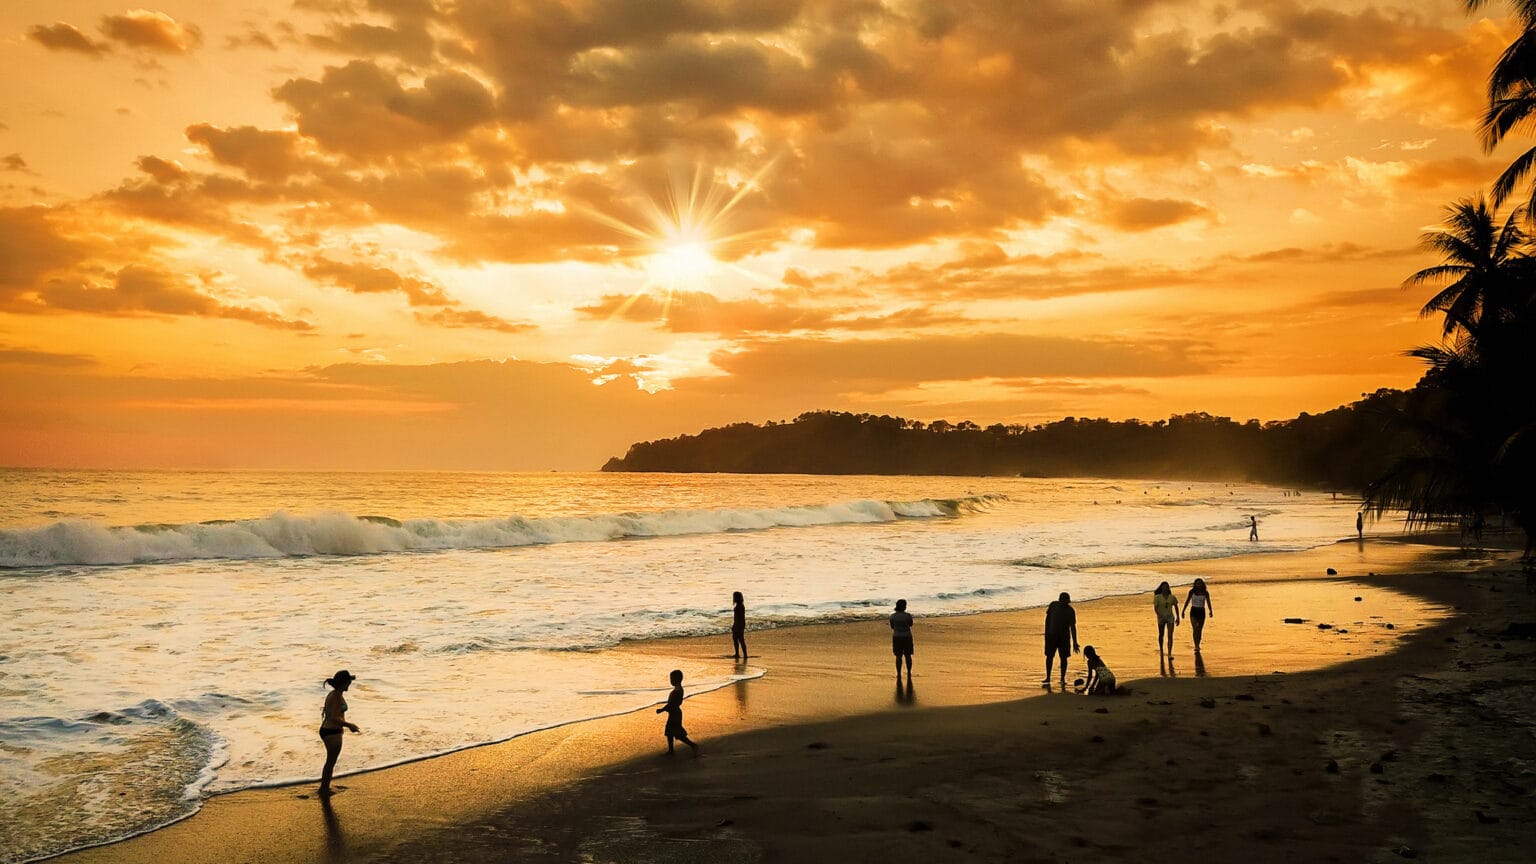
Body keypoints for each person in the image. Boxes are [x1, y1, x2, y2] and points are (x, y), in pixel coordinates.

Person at [318, 669, 361, 796]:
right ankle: (324, 789)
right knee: (330, 762)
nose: (350, 684)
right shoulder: (336, 696)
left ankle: (324, 787)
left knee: (330, 762)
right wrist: (349, 725)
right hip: (332, 732)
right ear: (344, 683)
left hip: (327, 730)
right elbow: (334, 718)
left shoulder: (334, 694)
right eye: (349, 682)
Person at [656, 669, 699, 756]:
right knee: (669, 732)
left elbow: (671, 704)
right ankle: (671, 750)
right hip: (674, 713)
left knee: (678, 734)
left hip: (675, 714)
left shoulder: (677, 691)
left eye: (671, 679)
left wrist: (661, 710)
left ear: (676, 679)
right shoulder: (678, 689)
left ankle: (693, 745)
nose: (670, 681)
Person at [1041, 592, 1080, 687]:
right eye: (1064, 601)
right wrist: (1047, 632)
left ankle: (1062, 678)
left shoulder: (1070, 611)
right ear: (1060, 600)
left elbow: (1073, 627)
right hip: (1051, 636)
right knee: (1049, 656)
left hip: (1064, 637)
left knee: (1064, 658)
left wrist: (1075, 642)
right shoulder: (1053, 605)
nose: (1066, 603)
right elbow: (1047, 618)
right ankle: (1048, 677)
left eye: (1067, 601)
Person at [1181, 578, 1214, 652]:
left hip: (1202, 611)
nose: (1199, 585)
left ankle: (1198, 644)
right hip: (1194, 611)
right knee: (1195, 629)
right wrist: (1183, 610)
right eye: (1197, 583)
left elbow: (1208, 602)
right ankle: (1196, 645)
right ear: (1195, 584)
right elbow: (1187, 601)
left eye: (1200, 583)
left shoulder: (1205, 592)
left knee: (1199, 629)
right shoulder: (1192, 592)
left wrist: (1210, 611)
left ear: (1202, 584)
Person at [1153, 581, 1180, 656]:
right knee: (1161, 634)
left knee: (1170, 635)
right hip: (1161, 617)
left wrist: (1178, 617)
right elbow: (1155, 608)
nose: (1165, 588)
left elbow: (1176, 607)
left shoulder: (1172, 597)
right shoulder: (1157, 597)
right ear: (1161, 588)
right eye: (1164, 587)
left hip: (1170, 617)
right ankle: (1161, 649)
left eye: (1167, 587)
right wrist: (1159, 615)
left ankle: (1169, 653)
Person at [890, 599, 914, 680]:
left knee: (898, 656)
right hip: (907, 636)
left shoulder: (893, 616)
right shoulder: (908, 616)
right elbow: (910, 624)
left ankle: (899, 673)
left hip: (897, 636)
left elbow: (892, 626)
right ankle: (909, 672)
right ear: (904, 606)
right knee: (908, 655)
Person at [731, 591, 748, 661]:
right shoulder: (740, 605)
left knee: (740, 640)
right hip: (738, 624)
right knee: (736, 639)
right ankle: (738, 653)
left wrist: (738, 626)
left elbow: (740, 618)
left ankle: (744, 654)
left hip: (739, 625)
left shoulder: (740, 606)